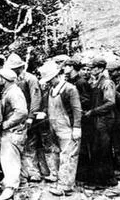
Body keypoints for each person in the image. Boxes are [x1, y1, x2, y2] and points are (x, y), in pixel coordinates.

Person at [39, 61, 82, 196]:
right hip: (55, 126)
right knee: (57, 153)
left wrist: (77, 127)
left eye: (50, 79)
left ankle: (65, 186)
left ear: (57, 76)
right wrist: (44, 113)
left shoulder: (70, 89)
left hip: (67, 128)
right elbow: (49, 106)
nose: (48, 82)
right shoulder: (51, 90)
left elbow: (77, 109)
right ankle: (58, 177)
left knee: (68, 156)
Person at [4, 54, 43, 183]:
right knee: (18, 146)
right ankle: (21, 174)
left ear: (20, 67)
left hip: (29, 117)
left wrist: (31, 117)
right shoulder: (12, 80)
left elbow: (35, 99)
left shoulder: (30, 79)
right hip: (17, 117)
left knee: (31, 145)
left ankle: (33, 172)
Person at [84, 57, 117, 186]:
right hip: (97, 120)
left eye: (94, 67)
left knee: (104, 149)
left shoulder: (107, 83)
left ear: (101, 68)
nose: (91, 70)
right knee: (97, 148)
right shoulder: (96, 81)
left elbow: (110, 103)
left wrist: (93, 112)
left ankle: (106, 180)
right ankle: (98, 178)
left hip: (105, 120)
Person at [0, 69, 28, 200]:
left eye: (0, 77)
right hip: (13, 130)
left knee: (9, 159)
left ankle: (10, 188)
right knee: (12, 158)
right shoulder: (9, 91)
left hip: (13, 131)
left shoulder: (14, 92)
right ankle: (19, 183)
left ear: (4, 79)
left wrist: (6, 124)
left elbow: (22, 112)